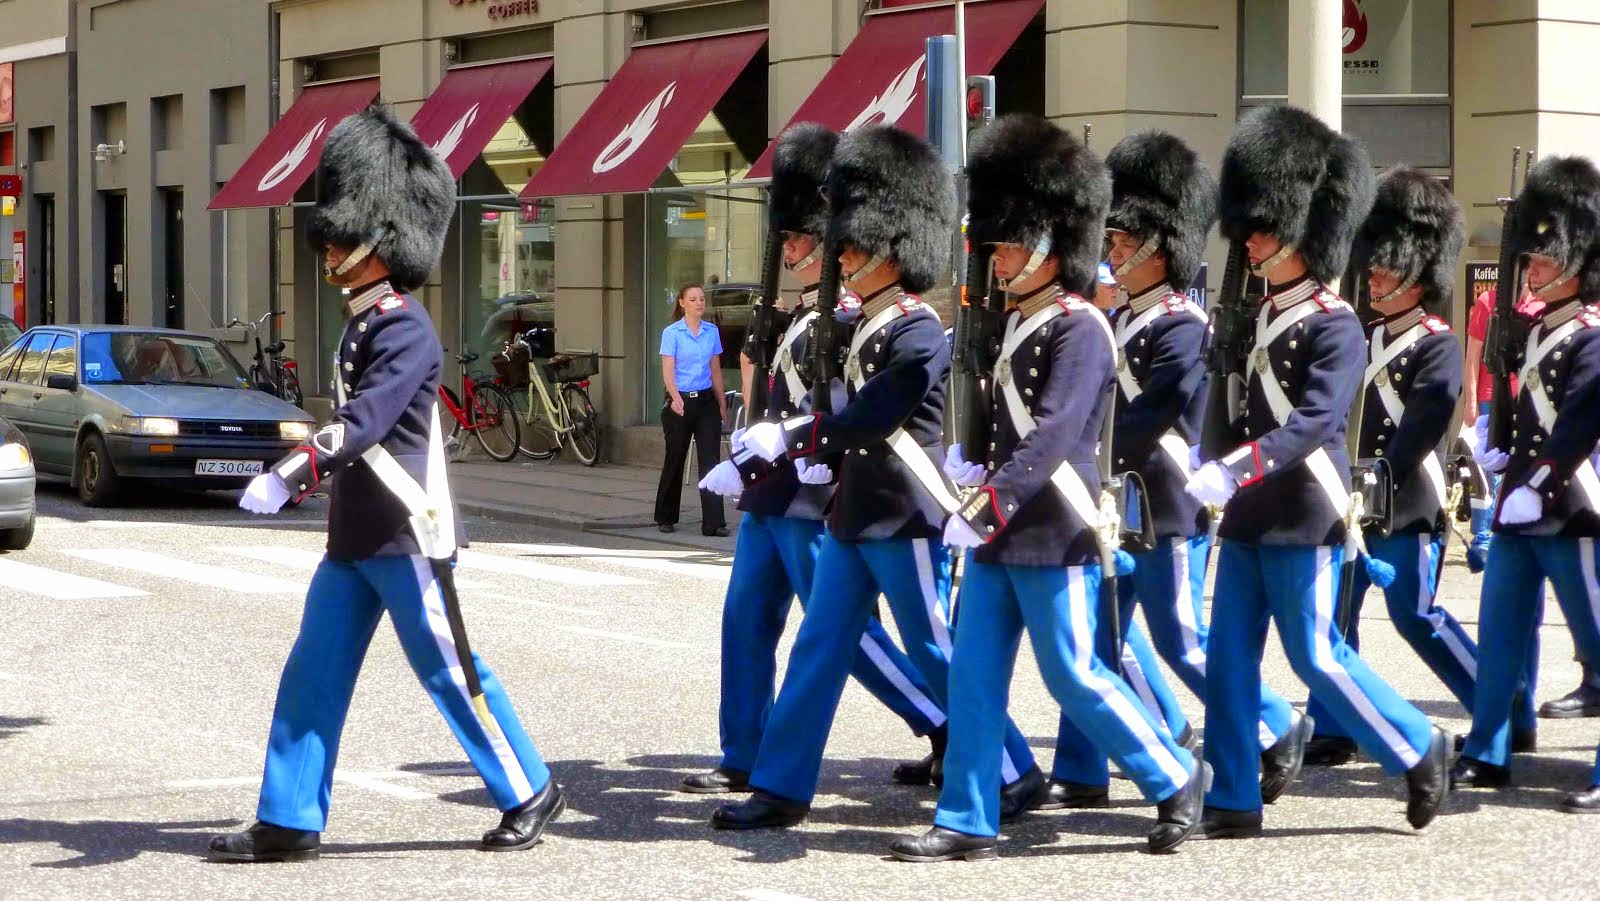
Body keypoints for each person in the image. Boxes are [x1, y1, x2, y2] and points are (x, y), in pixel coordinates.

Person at [210, 106, 561, 862]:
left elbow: (366, 420)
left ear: (380, 241)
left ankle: (529, 787)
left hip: (407, 528)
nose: (330, 244)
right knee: (313, 671)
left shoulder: (404, 327)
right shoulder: (364, 319)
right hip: (359, 532)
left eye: (343, 233)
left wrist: (297, 468)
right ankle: (290, 814)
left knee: (448, 668)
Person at [710, 123, 1043, 832]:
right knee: (820, 644)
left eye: (856, 250)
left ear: (894, 253)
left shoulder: (918, 330)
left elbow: (868, 417)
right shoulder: (862, 323)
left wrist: (792, 433)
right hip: (854, 510)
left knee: (934, 647)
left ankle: (1014, 765)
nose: (845, 259)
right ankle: (780, 784)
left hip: (904, 511)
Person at [889, 115, 1204, 862]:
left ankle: (1172, 773)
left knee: (1072, 671)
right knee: (972, 674)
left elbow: (1058, 430)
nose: (995, 257)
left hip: (1051, 522)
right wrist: (971, 469)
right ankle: (967, 816)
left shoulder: (1081, 326)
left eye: (1005, 244)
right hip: (1001, 527)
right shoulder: (1017, 321)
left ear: (1045, 247)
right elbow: (1005, 427)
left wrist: (990, 499)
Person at [1186, 104, 1449, 838]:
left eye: (1268, 229)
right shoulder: (1253, 314)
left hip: (1304, 509)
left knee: (1314, 653)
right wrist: (1211, 459)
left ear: (1306, 235)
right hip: (1246, 513)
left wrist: (1236, 467)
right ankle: (1233, 793)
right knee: (1229, 659)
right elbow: (1232, 409)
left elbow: (1313, 424)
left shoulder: (1336, 323)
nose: (1256, 240)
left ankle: (1417, 744)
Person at [684, 123, 948, 794]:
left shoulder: (855, 314)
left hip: (811, 485)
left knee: (844, 638)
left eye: (804, 238)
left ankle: (942, 719)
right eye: (794, 237)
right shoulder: (801, 310)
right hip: (771, 486)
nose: (796, 248)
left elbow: (839, 404)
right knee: (745, 619)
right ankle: (744, 751)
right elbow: (774, 397)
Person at [1050, 130, 1304, 805]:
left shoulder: (1181, 324)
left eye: (1124, 244)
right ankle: (1081, 767)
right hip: (1117, 501)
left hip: (1163, 500)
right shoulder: (1123, 317)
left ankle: (1277, 722)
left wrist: (1075, 451)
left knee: (1179, 638)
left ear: (1159, 250)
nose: (1112, 254)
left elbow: (1153, 414)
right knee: (1099, 635)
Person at [1300, 167, 1500, 766]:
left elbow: (1422, 423)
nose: (1377, 276)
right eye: (1376, 265)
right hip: (1353, 497)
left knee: (1415, 615)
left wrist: (1380, 473)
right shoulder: (1360, 332)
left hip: (1405, 496)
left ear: (1419, 276)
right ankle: (1333, 723)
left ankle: (1498, 706)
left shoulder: (1435, 341)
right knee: (1337, 610)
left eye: (1390, 268)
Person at [1451, 156, 1600, 812]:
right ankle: (1489, 748)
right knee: (1501, 630)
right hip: (1521, 503)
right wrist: (1499, 447)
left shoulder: (1591, 336)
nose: (1532, 269)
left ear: (1575, 265)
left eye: (1543, 261)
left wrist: (1535, 483)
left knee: (1596, 637)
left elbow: (1577, 425)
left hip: (1569, 505)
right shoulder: (1536, 327)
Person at [1463, 286, 1544, 571]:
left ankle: (1511, 532)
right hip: (1491, 396)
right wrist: (1471, 400)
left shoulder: (1541, 303)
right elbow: (1473, 353)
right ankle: (1483, 537)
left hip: (1528, 397)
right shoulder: (1487, 301)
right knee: (1487, 473)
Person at [656, 283, 729, 537]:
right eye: (693, 299)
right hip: (681, 400)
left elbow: (716, 371)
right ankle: (665, 516)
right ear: (682, 303)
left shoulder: (711, 332)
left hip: (706, 401)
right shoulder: (672, 333)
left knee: (710, 460)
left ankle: (714, 522)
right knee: (675, 456)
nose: (699, 303)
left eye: (701, 299)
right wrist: (675, 397)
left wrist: (721, 403)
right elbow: (668, 371)